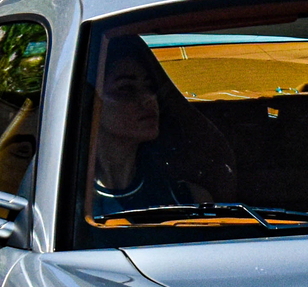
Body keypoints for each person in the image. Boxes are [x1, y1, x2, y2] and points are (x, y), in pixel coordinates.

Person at [89, 36, 217, 218]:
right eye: (126, 89)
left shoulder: (189, 199)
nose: (149, 99)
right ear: (93, 103)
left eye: (150, 87)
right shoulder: (63, 203)